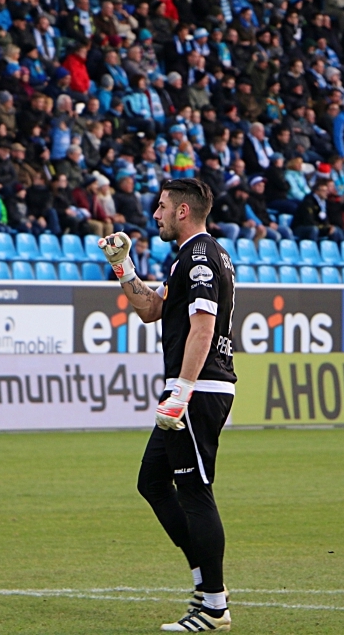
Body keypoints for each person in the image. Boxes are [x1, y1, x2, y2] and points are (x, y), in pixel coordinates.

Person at [98, 178, 235, 633]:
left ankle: (214, 606)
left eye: (161, 207)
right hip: (193, 387)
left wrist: (182, 390)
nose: (154, 214)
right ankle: (204, 582)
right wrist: (123, 268)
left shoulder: (198, 257)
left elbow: (203, 327)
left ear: (182, 211)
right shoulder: (191, 257)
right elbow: (152, 309)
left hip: (198, 388)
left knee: (195, 490)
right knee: (152, 481)